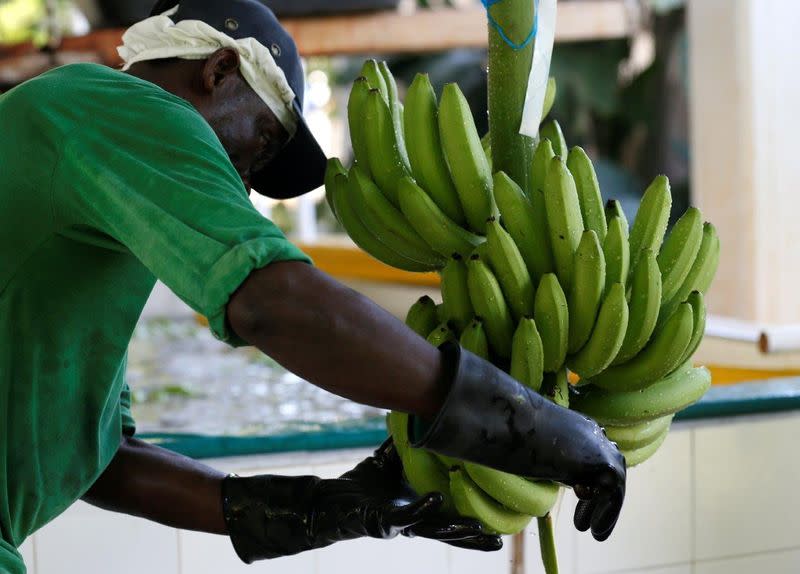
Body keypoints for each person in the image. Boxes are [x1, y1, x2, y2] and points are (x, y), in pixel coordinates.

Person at [0, 0, 626, 571]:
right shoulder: (111, 106)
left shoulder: (91, 186)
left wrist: (327, 507)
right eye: (259, 144)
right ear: (219, 70)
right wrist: (538, 428)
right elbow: (277, 305)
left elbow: (102, 461)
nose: (243, 181)